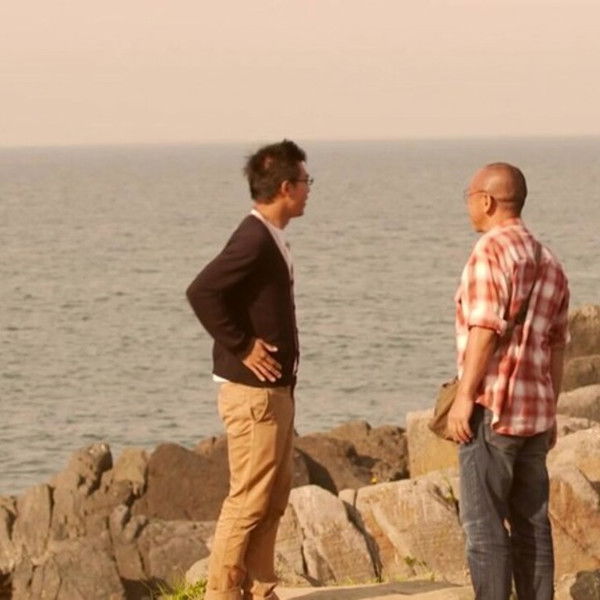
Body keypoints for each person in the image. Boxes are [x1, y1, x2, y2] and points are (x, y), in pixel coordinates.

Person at [186, 139, 311, 600]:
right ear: (286, 187)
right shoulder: (254, 237)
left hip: (275, 391)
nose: (309, 190)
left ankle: (258, 588)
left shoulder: (269, 237)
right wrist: (242, 345)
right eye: (305, 181)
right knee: (249, 499)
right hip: (253, 395)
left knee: (273, 496)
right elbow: (202, 291)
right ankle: (220, 593)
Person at [448, 163, 569, 600]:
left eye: (469, 196)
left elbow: (484, 329)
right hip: (535, 414)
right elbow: (557, 346)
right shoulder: (549, 260)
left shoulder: (490, 251)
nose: (468, 205)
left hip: (493, 409)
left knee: (484, 528)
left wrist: (465, 398)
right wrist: (551, 410)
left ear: (486, 200)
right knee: (532, 526)